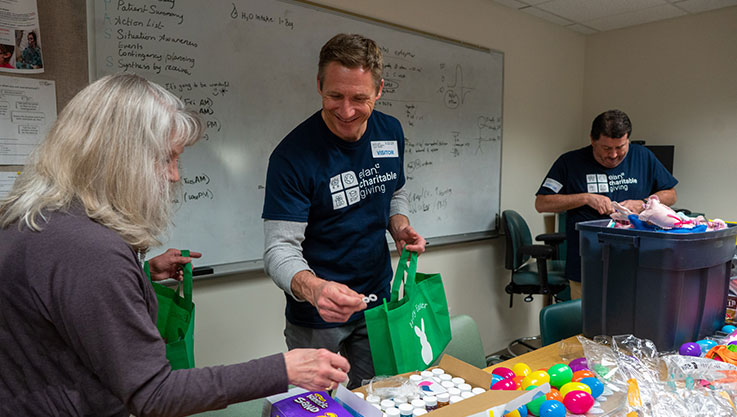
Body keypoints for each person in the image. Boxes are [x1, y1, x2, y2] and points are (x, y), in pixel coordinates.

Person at [0, 73, 349, 416]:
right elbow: (154, 394)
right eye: (167, 157)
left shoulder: (37, 219)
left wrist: (140, 276)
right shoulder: (90, 252)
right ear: (120, 158)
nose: (174, 175)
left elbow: (64, 307)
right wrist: (284, 369)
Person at [262, 33, 426, 389]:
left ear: (379, 90)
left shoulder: (391, 131)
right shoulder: (292, 156)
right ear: (319, 85)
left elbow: (396, 188)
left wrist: (399, 224)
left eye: (360, 98)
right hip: (316, 317)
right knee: (319, 408)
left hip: (377, 302)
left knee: (376, 398)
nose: (347, 111)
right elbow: (279, 249)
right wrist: (315, 289)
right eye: (335, 95)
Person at [535, 109, 678, 299]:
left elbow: (671, 194)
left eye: (620, 147)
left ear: (628, 140)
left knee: (631, 324)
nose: (613, 155)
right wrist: (586, 198)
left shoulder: (643, 157)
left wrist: (643, 203)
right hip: (587, 264)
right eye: (606, 148)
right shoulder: (569, 162)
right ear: (592, 140)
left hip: (637, 264)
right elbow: (542, 203)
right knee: (588, 324)